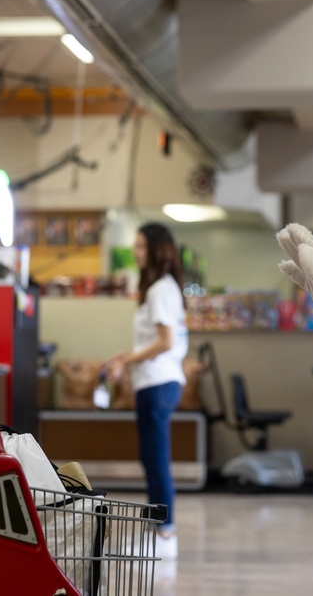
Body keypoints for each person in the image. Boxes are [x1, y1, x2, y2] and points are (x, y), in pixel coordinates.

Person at [105, 223, 188, 559]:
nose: (136, 252)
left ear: (157, 249)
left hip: (158, 382)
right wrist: (126, 359)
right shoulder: (159, 287)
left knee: (155, 461)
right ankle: (160, 531)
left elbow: (165, 342)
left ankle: (164, 534)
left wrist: (126, 359)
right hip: (154, 382)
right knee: (151, 459)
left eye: (141, 246)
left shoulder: (159, 290)